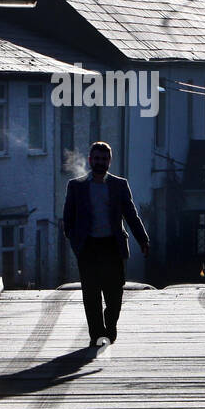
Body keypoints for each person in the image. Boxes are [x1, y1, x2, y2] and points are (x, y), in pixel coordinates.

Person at [62, 141, 149, 346]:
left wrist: (143, 239)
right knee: (91, 294)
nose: (100, 162)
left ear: (110, 161)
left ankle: (110, 326)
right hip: (89, 248)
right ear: (91, 160)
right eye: (96, 159)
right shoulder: (77, 186)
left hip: (113, 247)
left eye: (104, 159)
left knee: (114, 293)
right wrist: (76, 243)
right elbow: (68, 218)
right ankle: (97, 334)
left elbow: (131, 215)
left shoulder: (119, 185)